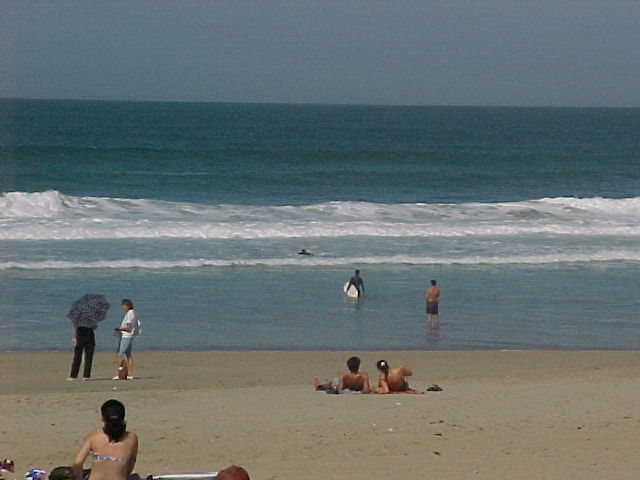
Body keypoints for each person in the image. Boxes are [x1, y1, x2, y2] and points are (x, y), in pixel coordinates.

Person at [72, 399, 138, 480]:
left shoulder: (94, 436)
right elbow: (129, 467)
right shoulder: (132, 438)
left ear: (103, 418)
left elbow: (77, 463)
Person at [114, 299, 139, 380]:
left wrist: (119, 329)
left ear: (127, 305)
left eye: (123, 306)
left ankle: (120, 373)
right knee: (128, 355)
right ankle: (130, 374)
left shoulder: (130, 314)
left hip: (126, 336)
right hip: (129, 336)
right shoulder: (132, 313)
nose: (122, 307)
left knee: (119, 355)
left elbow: (128, 328)